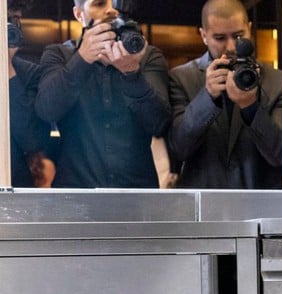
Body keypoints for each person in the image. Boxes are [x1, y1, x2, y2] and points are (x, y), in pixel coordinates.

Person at [35, 0, 170, 188]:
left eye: (116, 2)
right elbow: (46, 110)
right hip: (76, 195)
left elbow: (160, 124)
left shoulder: (147, 56)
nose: (111, 10)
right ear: (79, 14)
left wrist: (131, 73)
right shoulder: (59, 55)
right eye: (99, 4)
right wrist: (82, 59)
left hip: (136, 197)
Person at [167, 0, 282, 189]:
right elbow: (178, 149)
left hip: (260, 203)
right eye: (220, 38)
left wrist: (250, 108)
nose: (231, 47)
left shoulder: (278, 82)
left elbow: (281, 154)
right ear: (203, 35)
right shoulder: (182, 78)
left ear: (249, 29)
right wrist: (207, 97)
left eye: (239, 36)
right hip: (203, 204)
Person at [8, 0, 55, 187]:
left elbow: (32, 141)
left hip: (14, 190)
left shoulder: (30, 74)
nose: (8, 26)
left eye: (14, 20)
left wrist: (8, 69)